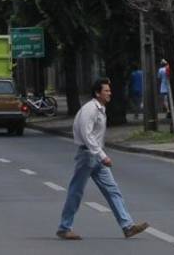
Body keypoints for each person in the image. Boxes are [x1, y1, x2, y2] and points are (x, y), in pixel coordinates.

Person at [56, 78, 149, 240]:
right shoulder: (89, 110)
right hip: (87, 155)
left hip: (95, 156)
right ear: (97, 93)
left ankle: (127, 226)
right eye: (106, 90)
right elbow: (87, 135)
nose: (109, 93)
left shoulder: (100, 109)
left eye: (109, 90)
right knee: (76, 192)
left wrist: (100, 155)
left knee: (113, 190)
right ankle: (64, 227)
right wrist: (102, 156)